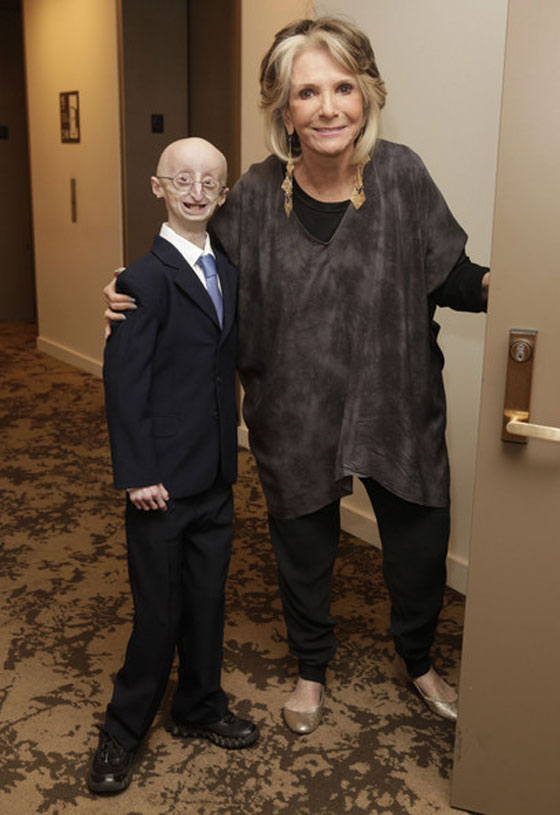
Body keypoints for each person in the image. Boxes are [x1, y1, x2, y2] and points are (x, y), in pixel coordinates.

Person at [105, 18, 489, 735]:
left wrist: (510, 286)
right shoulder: (253, 195)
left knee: (419, 549)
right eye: (307, 92)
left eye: (344, 87)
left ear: (367, 97)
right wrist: (133, 293)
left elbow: (451, 273)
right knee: (303, 551)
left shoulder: (401, 175)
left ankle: (419, 660)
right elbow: (199, 273)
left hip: (397, 404)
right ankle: (311, 667)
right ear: (285, 111)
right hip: (295, 412)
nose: (328, 107)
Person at [88, 137, 258, 795]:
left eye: (209, 181)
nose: (196, 191)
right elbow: (124, 382)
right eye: (181, 179)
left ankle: (199, 704)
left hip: (213, 475)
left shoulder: (228, 273)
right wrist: (137, 473)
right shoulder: (141, 279)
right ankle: (123, 728)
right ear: (157, 187)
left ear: (223, 192)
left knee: (208, 602)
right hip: (158, 483)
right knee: (158, 614)